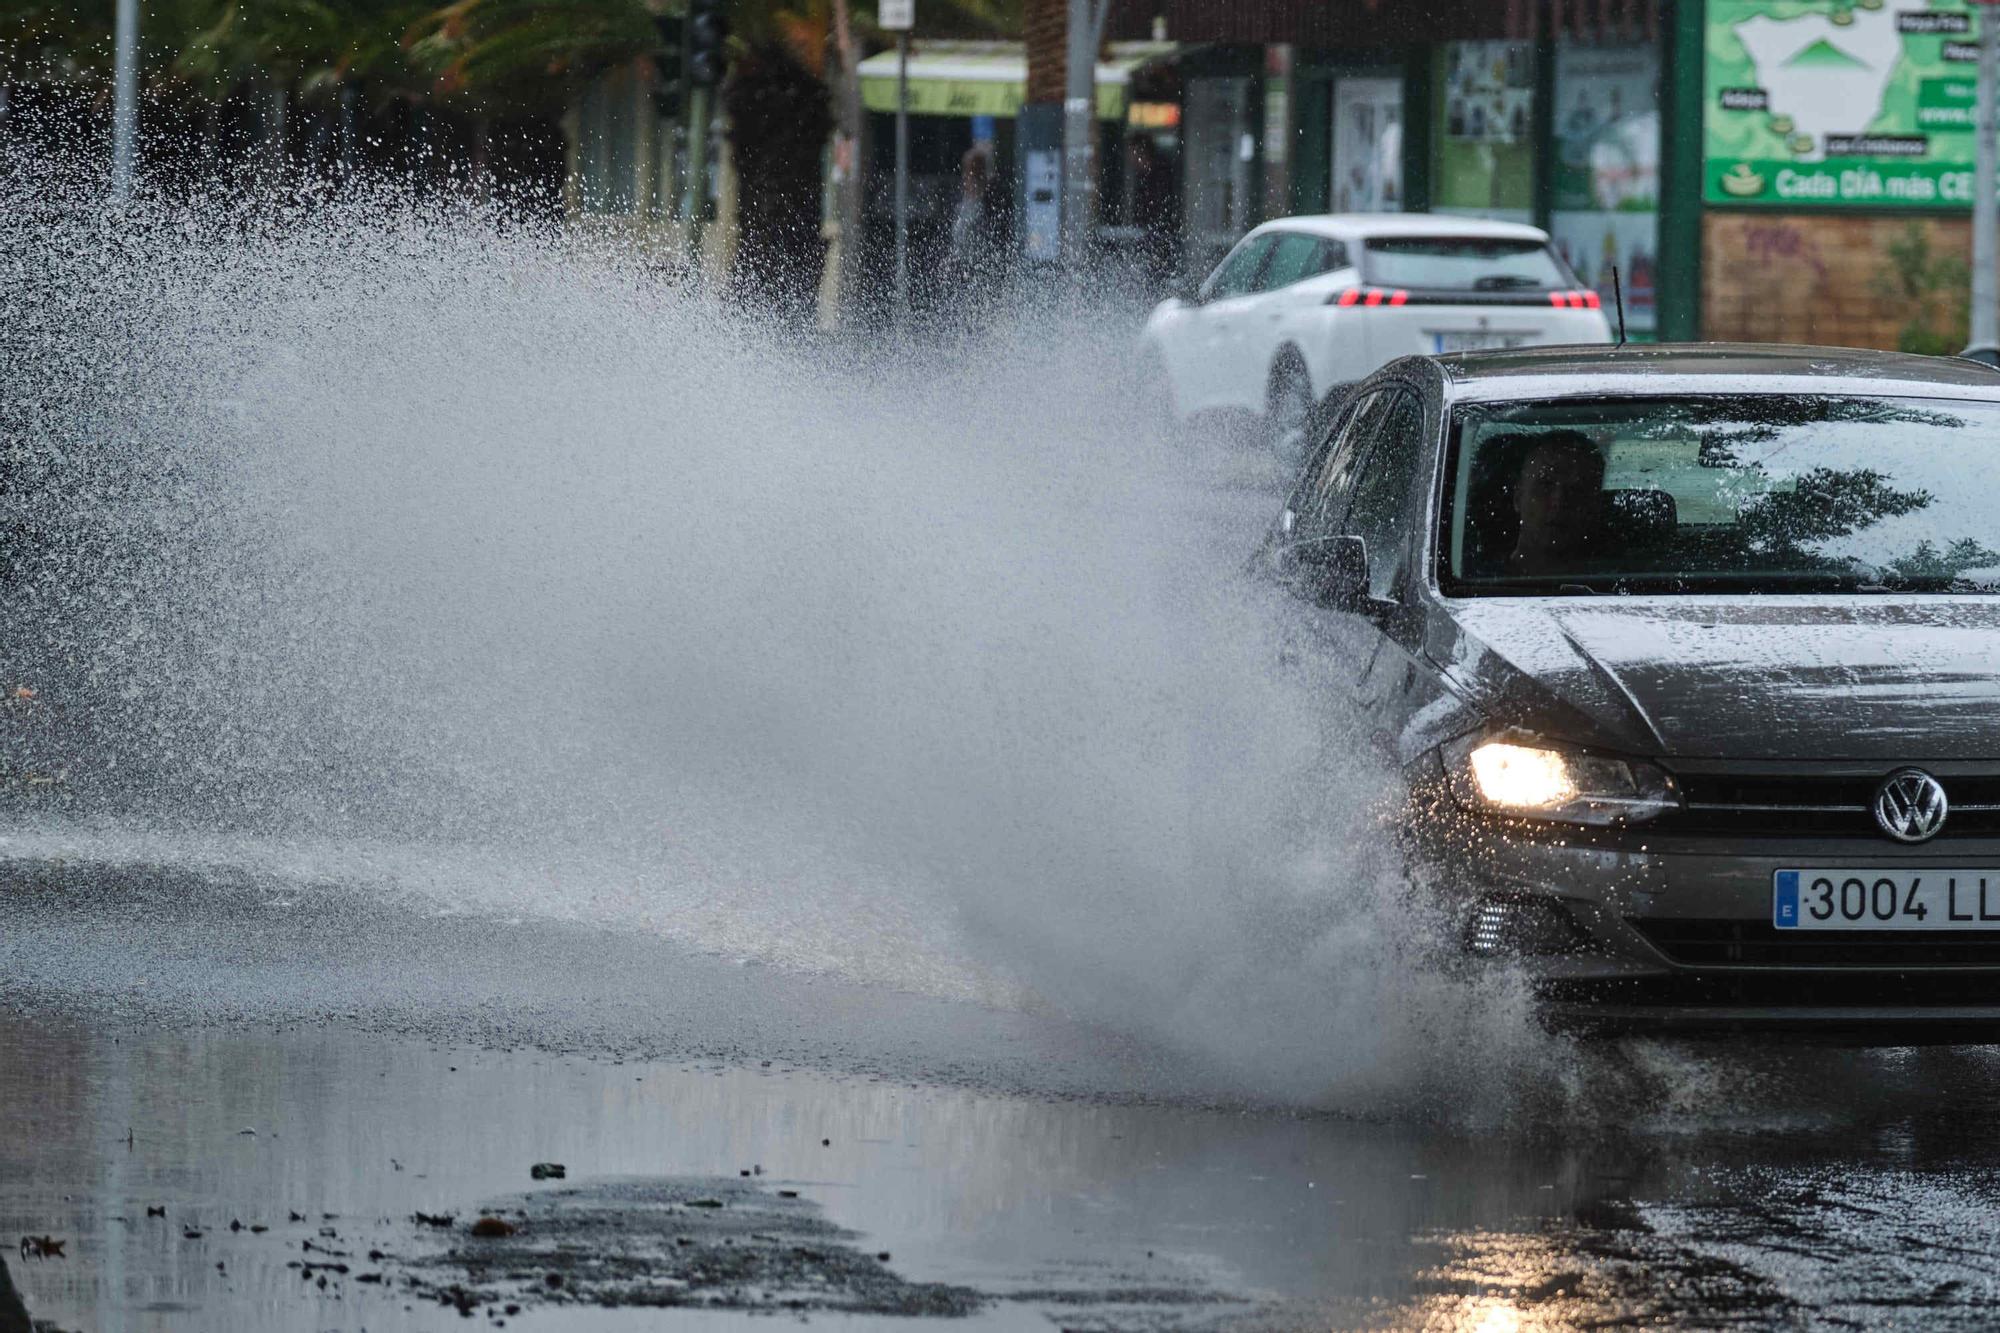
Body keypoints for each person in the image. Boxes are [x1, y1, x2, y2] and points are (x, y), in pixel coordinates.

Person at [1506, 431, 1606, 576]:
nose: (1558, 502)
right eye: (1545, 485)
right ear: (1518, 497)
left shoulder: (1619, 584)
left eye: (1576, 490)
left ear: (1595, 505)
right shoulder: (1476, 587)